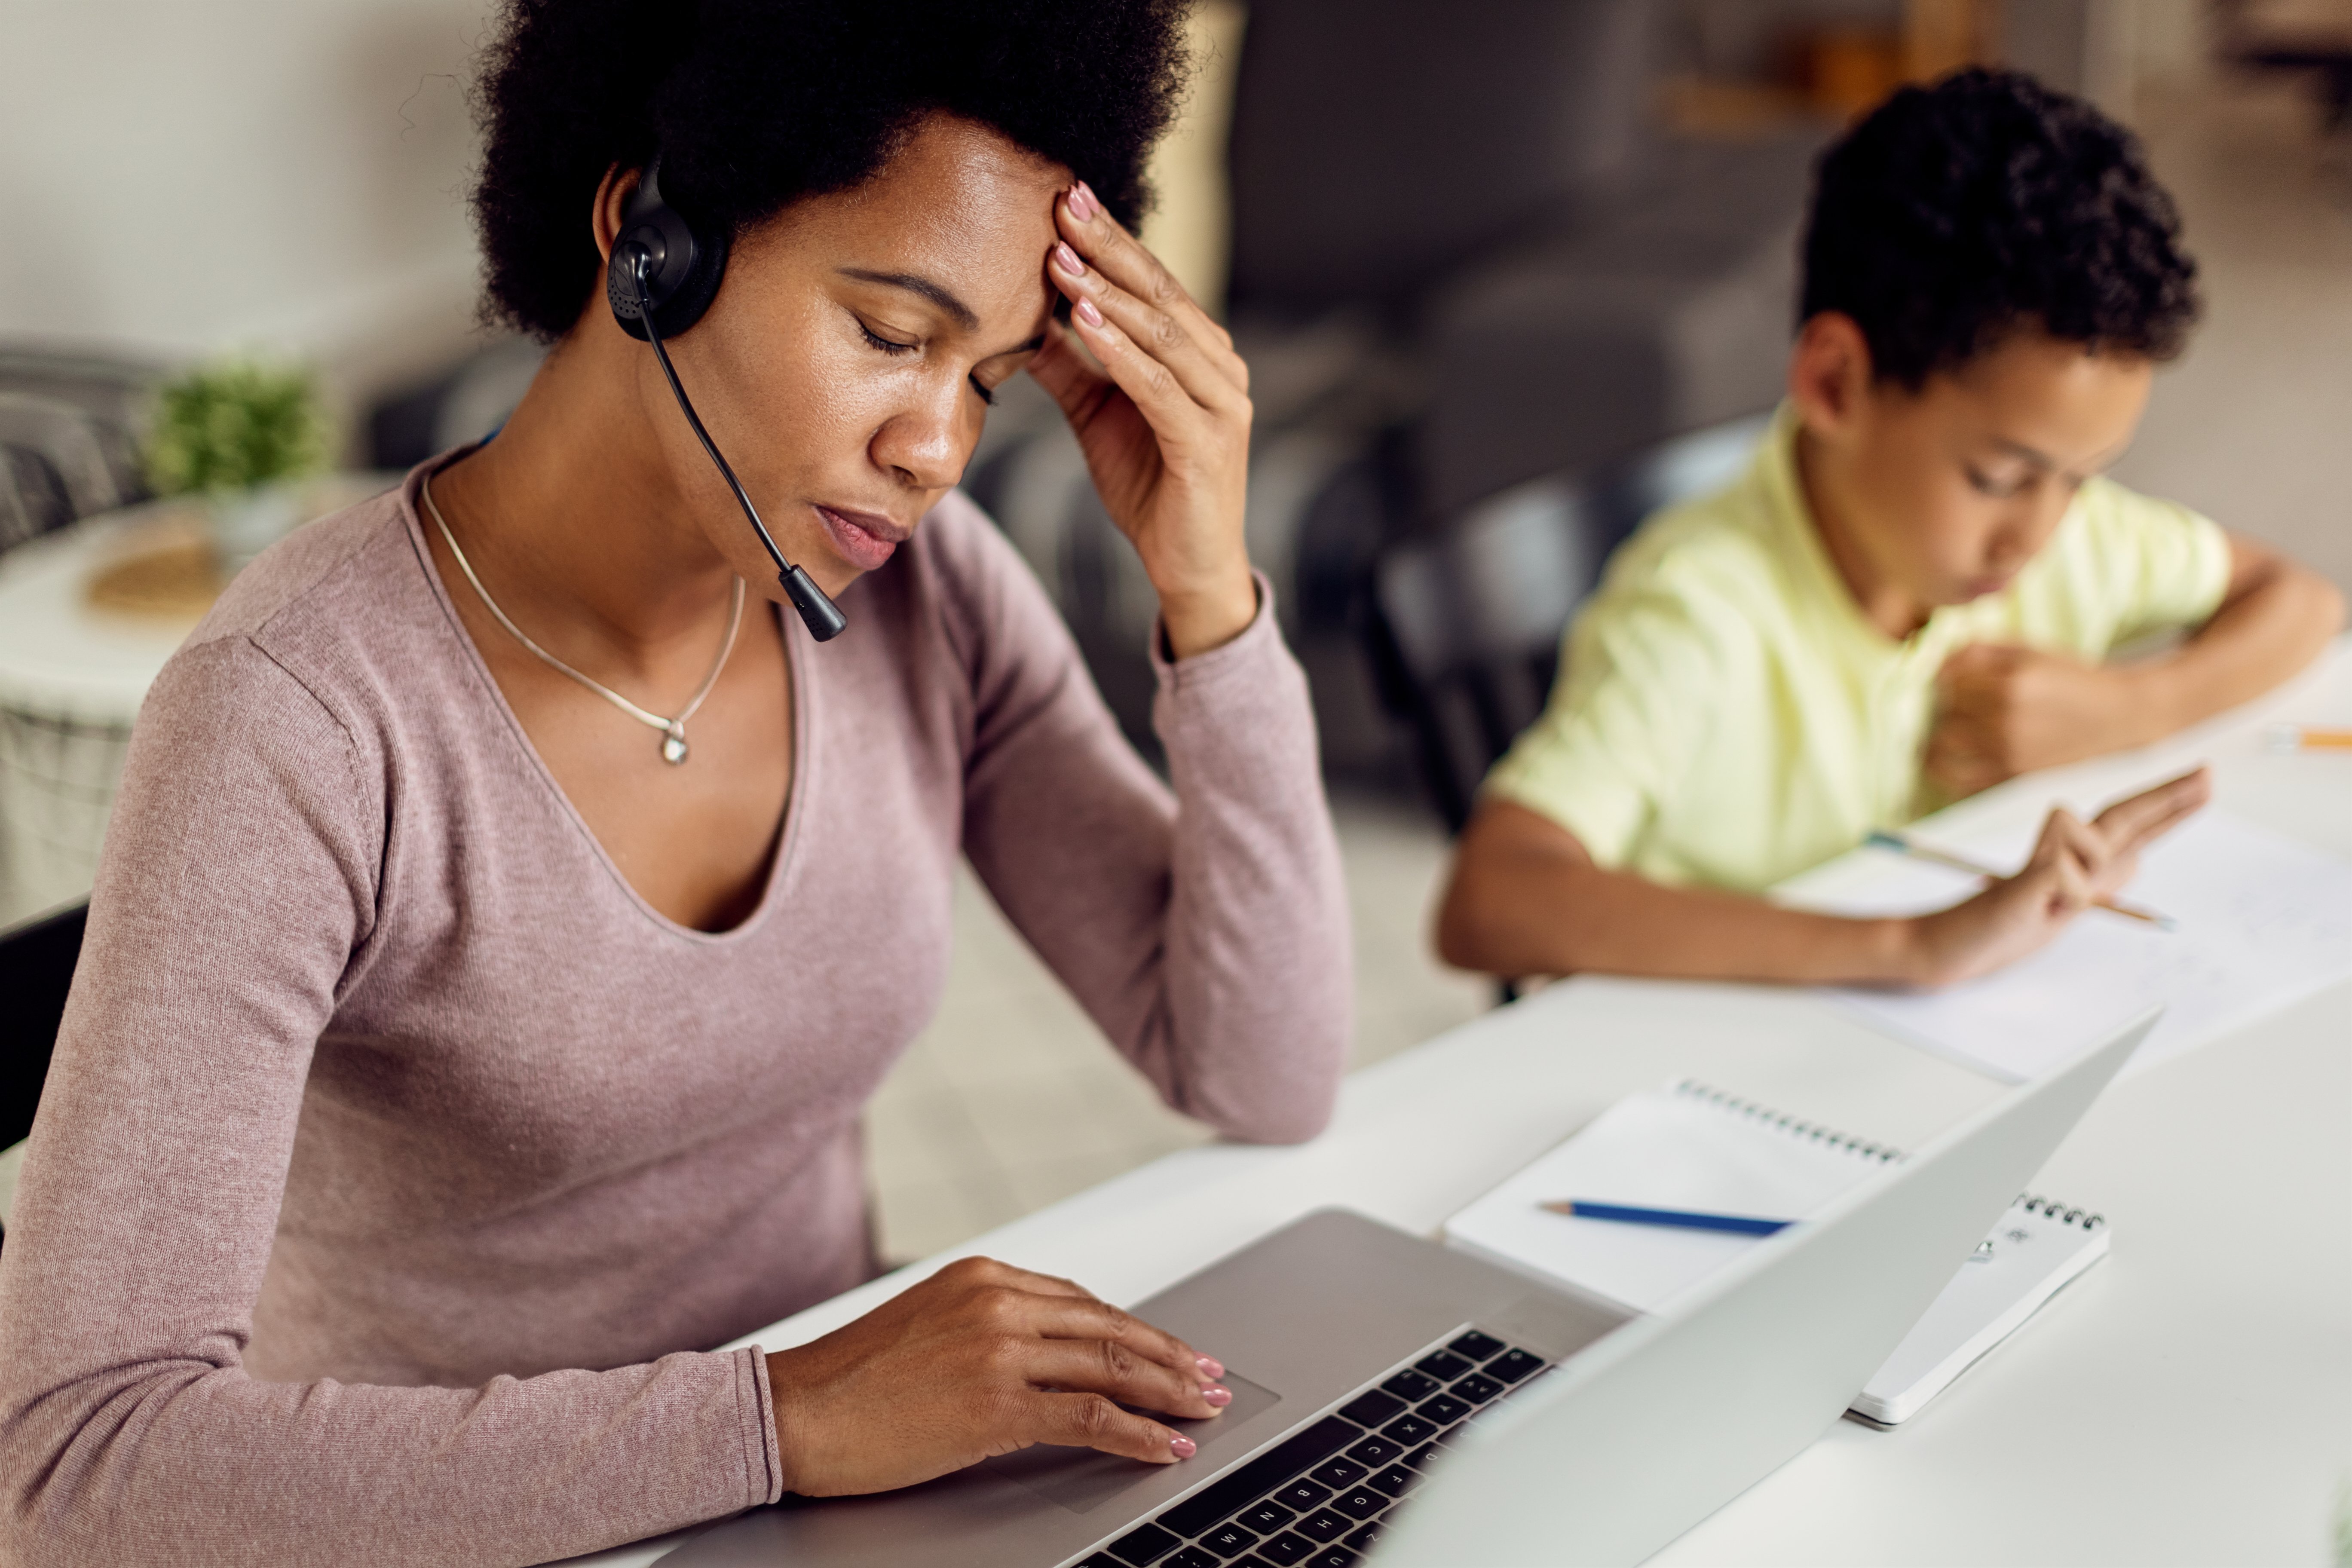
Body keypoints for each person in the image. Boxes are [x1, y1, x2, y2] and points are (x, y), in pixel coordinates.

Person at [0, 2, 1352, 1562]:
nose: (937, 447)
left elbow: (1267, 1067)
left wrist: (1209, 592)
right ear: (651, 236)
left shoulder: (928, 597)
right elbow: (86, 1462)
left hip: (834, 1501)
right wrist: (777, 1417)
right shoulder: (297, 713)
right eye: (892, 334)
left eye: (990, 375)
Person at [1437, 68, 2343, 990]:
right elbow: (1491, 899)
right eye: (2001, 477)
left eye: (2082, 480)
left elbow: (2302, 600)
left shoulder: (2075, 539)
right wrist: (1908, 948)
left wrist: (2129, 710)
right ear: (1836, 383)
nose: (2037, 534)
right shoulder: (1695, 609)